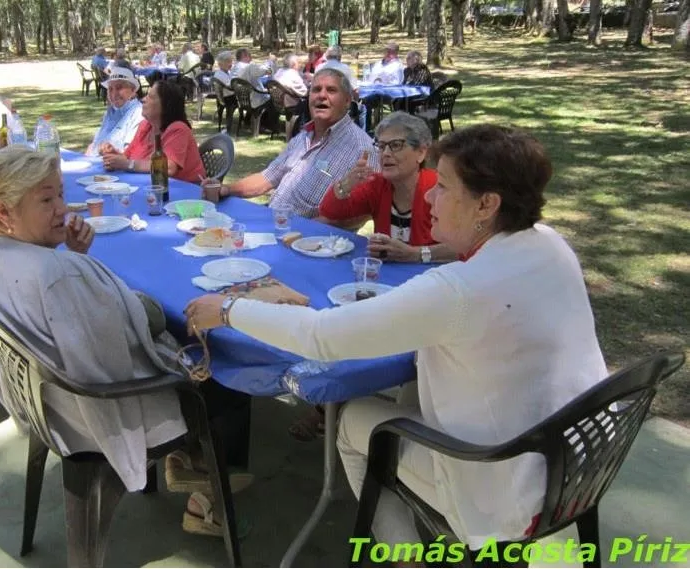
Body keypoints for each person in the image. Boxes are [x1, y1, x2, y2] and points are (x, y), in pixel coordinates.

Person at [186, 123, 608, 551]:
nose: (430, 197)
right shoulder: (551, 245)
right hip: (579, 463)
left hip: (503, 488)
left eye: (443, 187)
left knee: (350, 420)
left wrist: (228, 309)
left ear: (487, 204)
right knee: (410, 388)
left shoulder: (458, 290)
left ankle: (404, 555)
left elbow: (321, 337)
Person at [0, 145, 253, 536]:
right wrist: (92, 272)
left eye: (60, 194)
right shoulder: (59, 274)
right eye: (46, 200)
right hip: (97, 409)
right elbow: (133, 330)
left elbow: (76, 317)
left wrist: (75, 255)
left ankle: (190, 461)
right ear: (3, 213)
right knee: (229, 374)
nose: (63, 208)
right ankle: (207, 495)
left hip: (47, 401)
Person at [201, 68, 377, 219]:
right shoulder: (303, 137)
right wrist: (226, 189)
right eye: (316, 90)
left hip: (312, 239)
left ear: (347, 101)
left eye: (331, 90)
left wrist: (312, 228)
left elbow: (365, 211)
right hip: (273, 220)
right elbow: (267, 178)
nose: (322, 95)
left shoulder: (363, 149)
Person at [320, 112, 456, 263]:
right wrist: (347, 183)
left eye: (396, 145)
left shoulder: (439, 189)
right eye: (381, 146)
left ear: (421, 152)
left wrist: (416, 254)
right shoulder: (377, 185)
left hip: (436, 274)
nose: (385, 153)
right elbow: (330, 212)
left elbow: (465, 245)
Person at [102, 80, 205, 183]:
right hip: (151, 186)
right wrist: (113, 157)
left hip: (185, 189)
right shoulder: (145, 126)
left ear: (165, 104)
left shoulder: (179, 129)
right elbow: (127, 157)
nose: (143, 99)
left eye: (150, 97)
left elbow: (168, 167)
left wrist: (128, 164)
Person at [84, 67, 143, 156]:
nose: (114, 94)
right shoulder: (110, 111)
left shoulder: (138, 113)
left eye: (119, 88)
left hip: (112, 163)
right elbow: (94, 143)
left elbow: (129, 155)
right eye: (110, 89)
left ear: (133, 90)